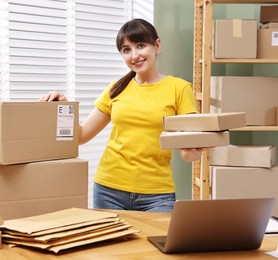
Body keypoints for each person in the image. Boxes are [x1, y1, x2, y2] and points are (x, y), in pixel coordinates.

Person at [39, 18, 210, 212]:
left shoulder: (179, 88)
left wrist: (197, 148)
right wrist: (62, 107)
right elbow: (81, 136)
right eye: (126, 50)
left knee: (155, 243)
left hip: (157, 195)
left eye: (140, 45)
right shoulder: (115, 89)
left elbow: (186, 154)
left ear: (157, 45)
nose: (134, 55)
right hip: (109, 189)